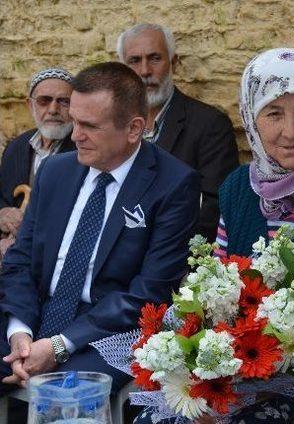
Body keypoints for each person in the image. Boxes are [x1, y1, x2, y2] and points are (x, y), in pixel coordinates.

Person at [135, 47, 294, 424]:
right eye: (273, 113)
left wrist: (285, 359)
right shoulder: (238, 188)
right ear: (251, 119)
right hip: (233, 369)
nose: (290, 132)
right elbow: (216, 291)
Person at [0, 62, 200, 395]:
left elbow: (150, 292)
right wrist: (19, 332)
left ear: (134, 128)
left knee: (66, 398)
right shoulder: (55, 171)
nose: (75, 134)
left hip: (108, 331)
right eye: (74, 120)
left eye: (89, 125)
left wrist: (59, 346)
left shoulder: (173, 184)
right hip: (34, 312)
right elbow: (20, 260)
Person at [117, 23, 239, 241]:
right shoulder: (114, 124)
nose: (145, 71)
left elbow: (214, 209)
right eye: (134, 61)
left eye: (155, 58)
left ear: (174, 62)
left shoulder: (210, 125)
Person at [0, 68, 76, 257]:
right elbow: (2, 196)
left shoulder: (84, 150)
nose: (53, 110)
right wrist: (2, 213)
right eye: (44, 101)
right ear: (30, 105)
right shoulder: (15, 147)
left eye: (63, 101)